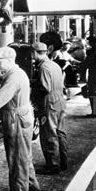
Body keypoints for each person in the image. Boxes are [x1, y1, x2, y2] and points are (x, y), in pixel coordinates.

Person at [0, 46, 41, 191]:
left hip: (16, 120)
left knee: (16, 158)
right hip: (21, 117)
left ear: (9, 61)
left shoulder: (14, 77)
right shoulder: (16, 73)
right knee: (24, 157)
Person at [32, 42, 68, 175]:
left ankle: (53, 165)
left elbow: (45, 88)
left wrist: (33, 90)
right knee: (60, 132)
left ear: (35, 53)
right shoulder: (55, 65)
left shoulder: (43, 68)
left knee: (49, 134)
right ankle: (63, 162)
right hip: (60, 101)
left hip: (49, 104)